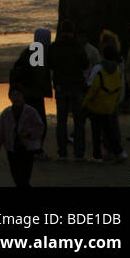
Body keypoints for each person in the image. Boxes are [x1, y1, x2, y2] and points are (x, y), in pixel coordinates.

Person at [48, 19, 89, 160]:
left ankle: (62, 152)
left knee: (61, 121)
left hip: (61, 85)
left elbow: (50, 64)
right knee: (78, 121)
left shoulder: (55, 47)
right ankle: (78, 153)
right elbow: (85, 64)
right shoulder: (78, 47)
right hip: (76, 86)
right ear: (72, 32)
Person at [10, 28, 53, 156]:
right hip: (34, 94)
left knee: (29, 122)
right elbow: (38, 75)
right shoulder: (38, 53)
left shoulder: (29, 51)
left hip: (27, 93)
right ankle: (35, 150)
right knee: (39, 123)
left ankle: (29, 148)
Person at [0, 85, 43, 188]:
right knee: (16, 177)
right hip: (12, 149)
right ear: (10, 98)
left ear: (23, 96)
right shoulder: (6, 113)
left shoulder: (31, 111)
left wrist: (29, 133)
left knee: (24, 177)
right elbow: (0, 130)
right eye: (13, 95)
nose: (16, 98)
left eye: (18, 95)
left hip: (27, 149)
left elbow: (39, 127)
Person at [83, 47, 126, 163]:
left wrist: (85, 102)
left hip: (97, 104)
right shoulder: (116, 69)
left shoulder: (98, 68)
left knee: (96, 132)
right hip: (110, 104)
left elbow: (92, 87)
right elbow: (119, 86)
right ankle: (120, 152)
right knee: (109, 130)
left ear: (102, 55)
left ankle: (97, 156)